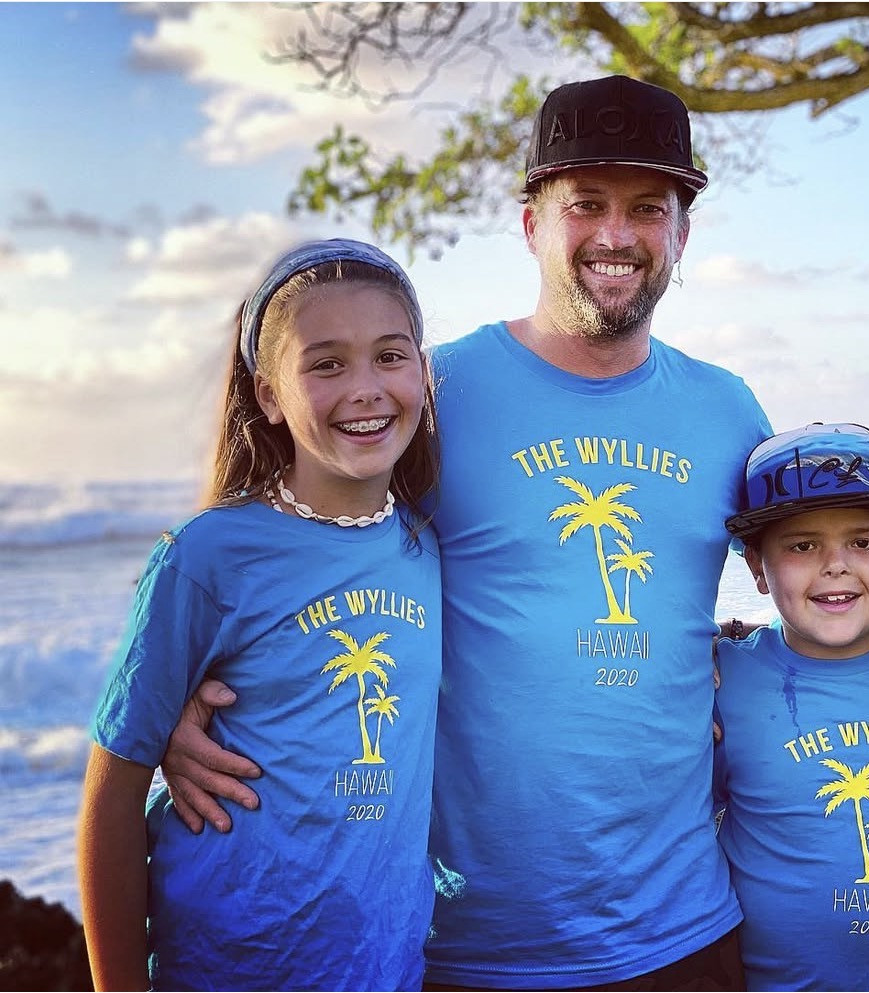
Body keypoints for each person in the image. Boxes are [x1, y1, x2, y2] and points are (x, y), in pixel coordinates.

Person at [158, 76, 773, 990]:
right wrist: (177, 702)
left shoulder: (728, 411)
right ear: (531, 225)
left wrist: (749, 656)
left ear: (682, 234)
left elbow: (822, 583)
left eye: (648, 208)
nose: (615, 234)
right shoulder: (433, 394)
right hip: (473, 941)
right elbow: (287, 546)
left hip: (685, 929)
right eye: (585, 204)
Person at [76, 239, 444, 991]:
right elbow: (112, 793)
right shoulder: (207, 555)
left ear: (422, 372)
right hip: (230, 967)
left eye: (390, 356)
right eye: (326, 364)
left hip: (384, 968)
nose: (366, 389)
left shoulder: (428, 543)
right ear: (270, 395)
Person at [714, 422, 869, 991]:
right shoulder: (722, 682)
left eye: (864, 542)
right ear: (756, 566)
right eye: (801, 546)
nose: (835, 565)